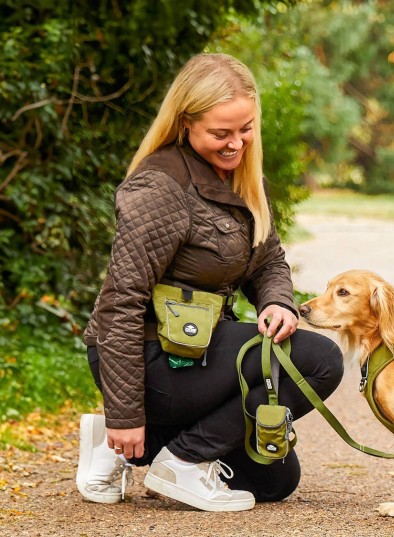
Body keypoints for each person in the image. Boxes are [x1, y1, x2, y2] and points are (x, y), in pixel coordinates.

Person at [76, 53, 343, 512]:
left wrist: (277, 301)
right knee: (320, 361)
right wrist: (124, 411)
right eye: (221, 133)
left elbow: (268, 260)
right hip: (150, 360)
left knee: (274, 478)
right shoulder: (161, 186)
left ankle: (116, 446)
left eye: (246, 128)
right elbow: (120, 304)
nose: (236, 143)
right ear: (185, 123)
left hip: (196, 353)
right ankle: (181, 460)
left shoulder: (241, 178)